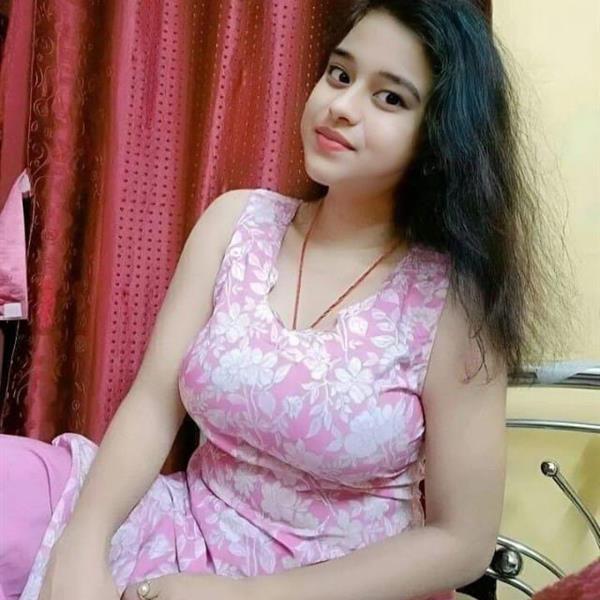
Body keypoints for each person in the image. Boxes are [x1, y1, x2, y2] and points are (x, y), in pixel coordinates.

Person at [0, 1, 571, 599]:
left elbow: (463, 540)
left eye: (390, 98)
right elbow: (152, 402)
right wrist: (83, 544)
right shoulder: (235, 222)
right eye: (340, 74)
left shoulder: (453, 301)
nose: (341, 106)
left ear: (440, 136)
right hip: (183, 527)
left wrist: (243, 597)